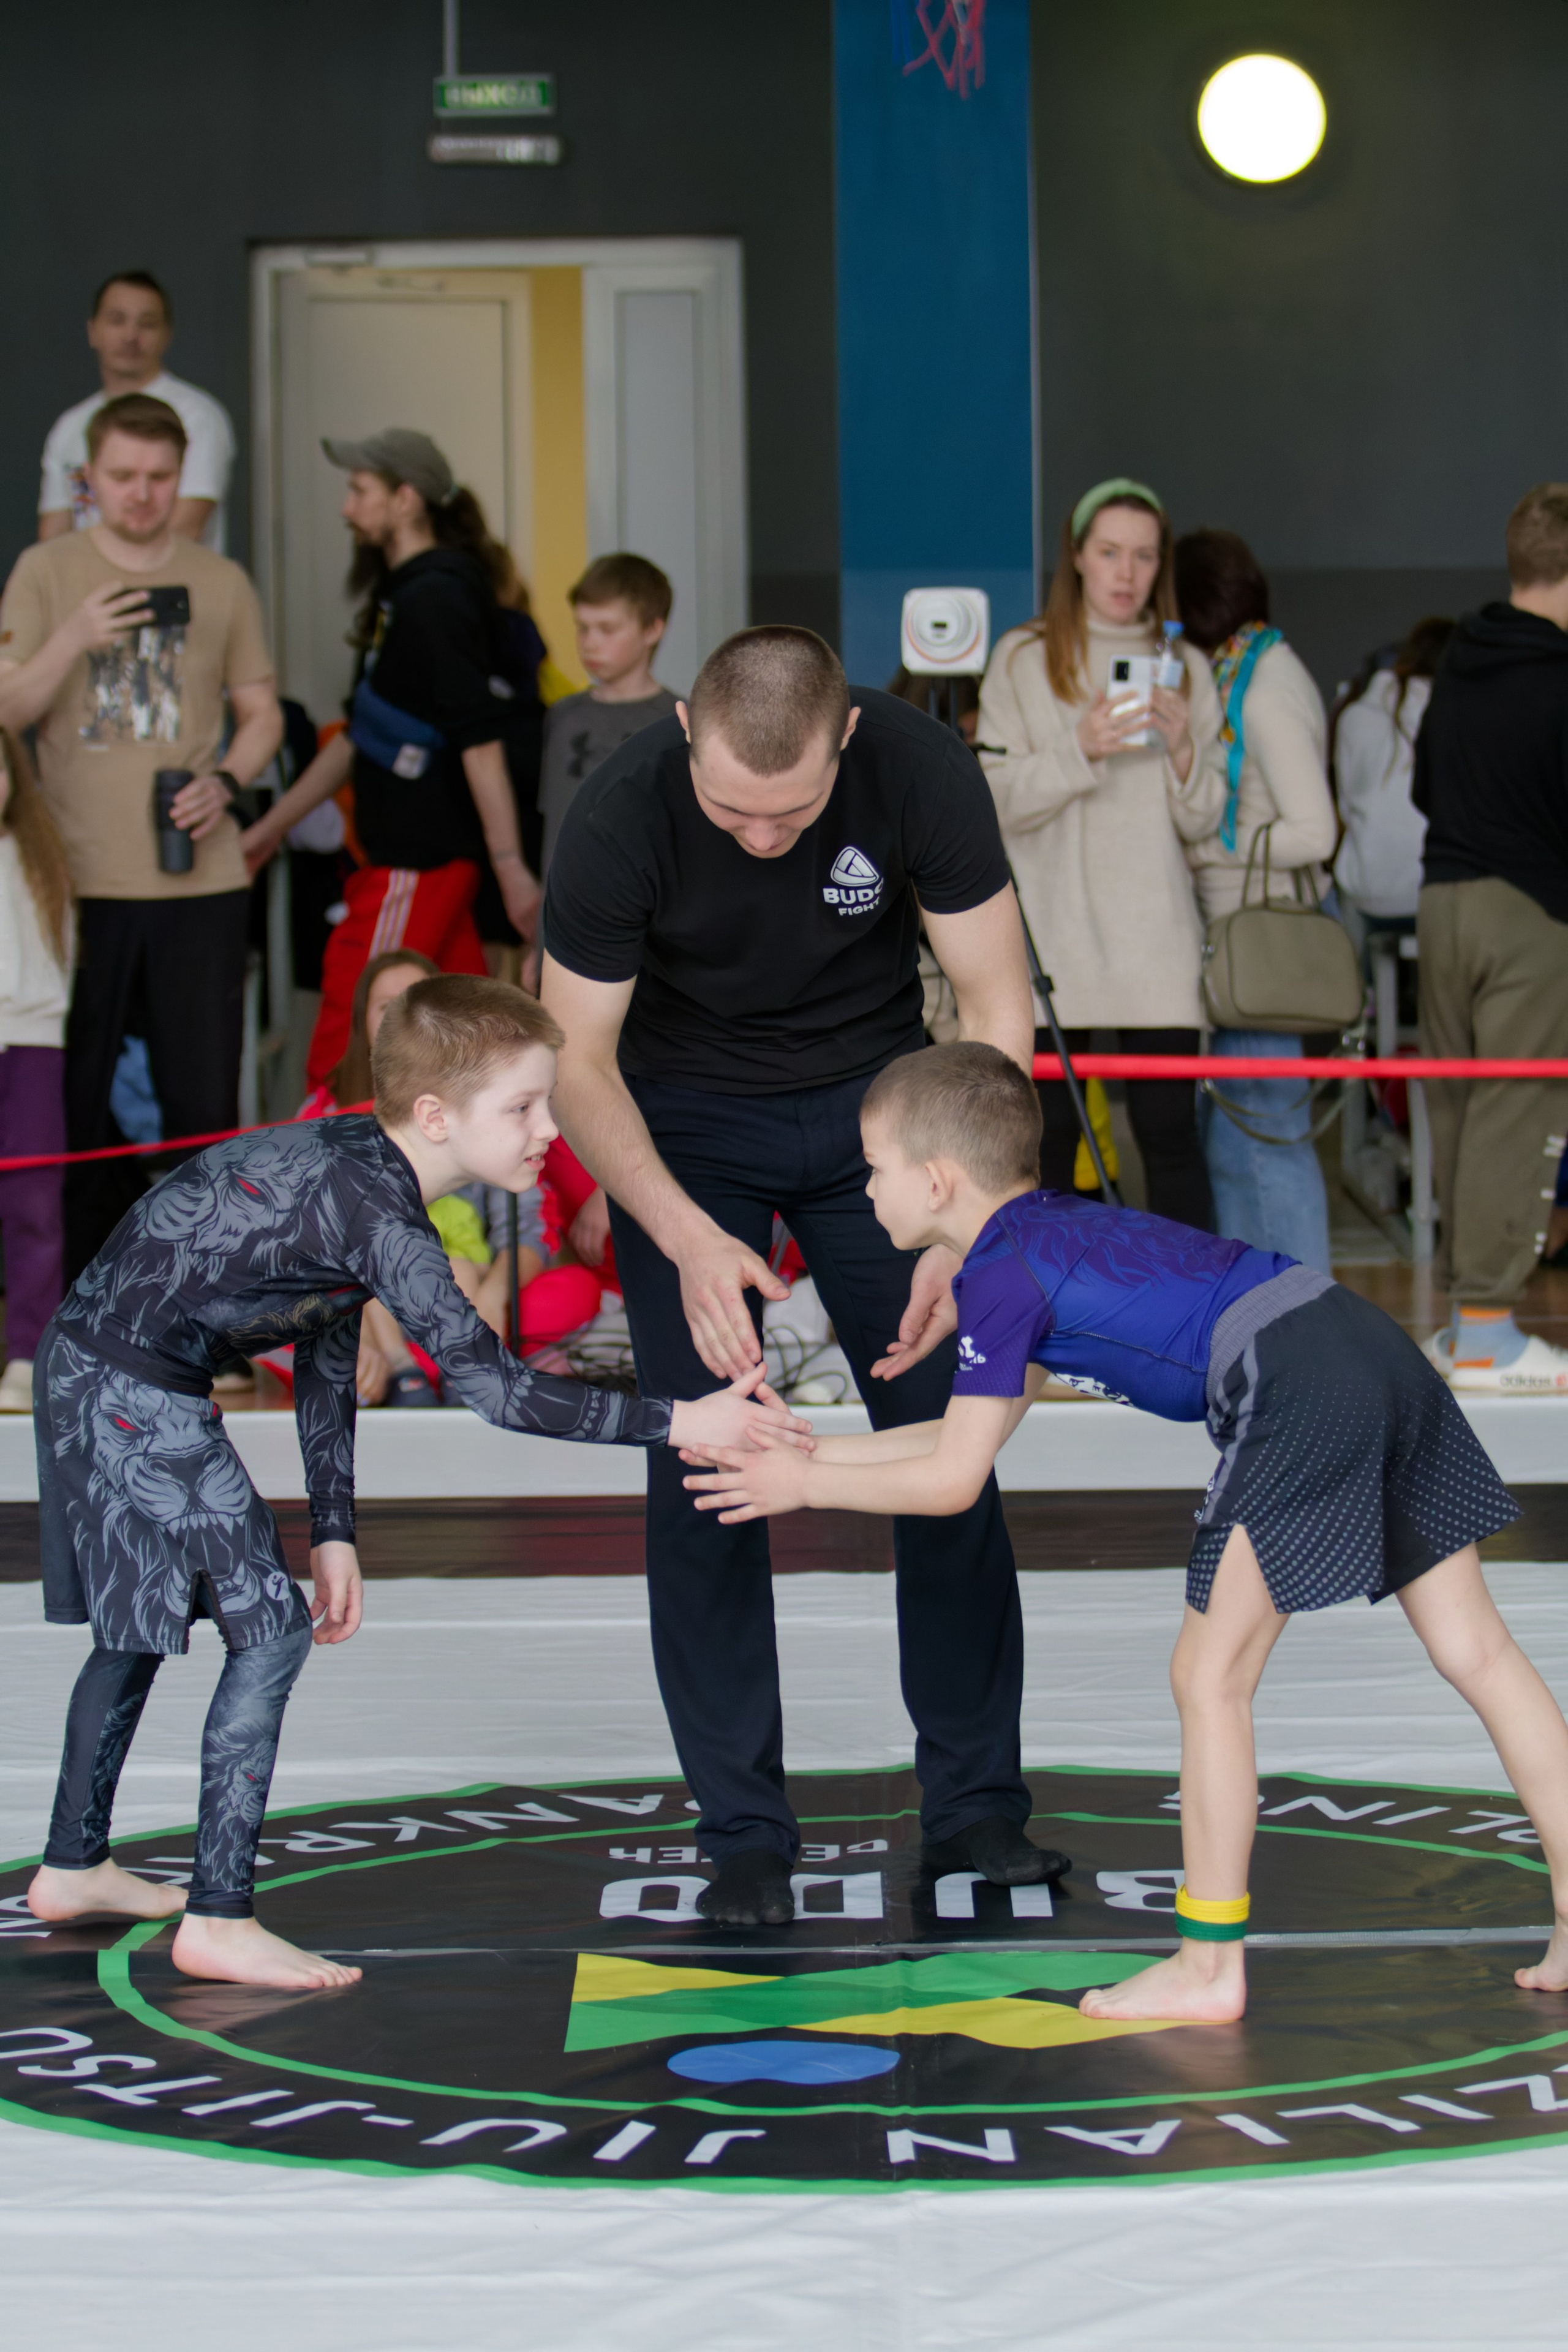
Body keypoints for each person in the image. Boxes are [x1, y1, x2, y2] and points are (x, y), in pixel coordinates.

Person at [683, 1042, 1568, 2021]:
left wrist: (800, 1485)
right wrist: (806, 1451)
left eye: (874, 1167)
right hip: (1358, 1342)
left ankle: (1208, 1965)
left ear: (936, 1180)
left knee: (1209, 1677)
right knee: (1477, 1649)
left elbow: (950, 1482)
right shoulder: (1036, 1232)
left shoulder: (1001, 1277)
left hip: (1295, 1382)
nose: (864, 1186)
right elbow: (962, 1437)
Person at [25, 974, 807, 1989]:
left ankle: (71, 1868)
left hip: (93, 1363)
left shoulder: (360, 1169)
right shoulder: (385, 1214)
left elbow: (322, 1340)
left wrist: (335, 1527)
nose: (546, 1132)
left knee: (139, 1631)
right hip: (123, 1384)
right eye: (522, 1109)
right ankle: (217, 1918)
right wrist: (682, 1420)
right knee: (268, 1629)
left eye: (547, 1103)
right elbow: (498, 1391)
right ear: (436, 1115)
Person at [542, 624, 1061, 1931]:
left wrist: (971, 1231)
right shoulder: (616, 813)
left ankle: (975, 1807)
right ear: (683, 737)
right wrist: (675, 1229)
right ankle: (741, 1834)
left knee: (945, 1446)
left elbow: (995, 1013)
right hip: (680, 1123)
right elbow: (575, 1063)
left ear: (845, 740)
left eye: (792, 813)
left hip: (881, 1117)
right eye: (732, 810)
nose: (761, 839)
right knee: (707, 1461)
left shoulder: (921, 772)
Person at [0, 393, 283, 1278]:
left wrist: (227, 783)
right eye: (122, 477)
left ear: (180, 476)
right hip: (74, 881)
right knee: (71, 1108)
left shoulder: (221, 578)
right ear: (89, 478)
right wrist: (76, 634)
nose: (142, 494)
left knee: (202, 1106)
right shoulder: (47, 570)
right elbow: (6, 710)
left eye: (160, 478)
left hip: (199, 878)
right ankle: (80, 1303)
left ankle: (208, 1299)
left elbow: (263, 715)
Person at [238, 430, 543, 1088]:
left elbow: (479, 742)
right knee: (479, 1052)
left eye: (359, 491)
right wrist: (267, 831)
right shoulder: (403, 596)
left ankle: (317, 1176)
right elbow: (358, 737)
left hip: (418, 861)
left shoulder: (437, 599)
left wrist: (512, 869)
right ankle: (513, 1187)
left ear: (405, 500)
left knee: (352, 1038)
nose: (347, 508)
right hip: (416, 862)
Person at [978, 478, 1220, 1228]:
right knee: (1042, 1144)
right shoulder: (1023, 657)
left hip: (1157, 939)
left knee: (1170, 1136)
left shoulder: (1187, 665)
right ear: (1077, 557)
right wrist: (1076, 749)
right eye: (1110, 552)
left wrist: (1182, 750)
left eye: (1143, 556)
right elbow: (992, 800)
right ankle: (1052, 1320)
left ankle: (1195, 1323)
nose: (1126, 573)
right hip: (1053, 937)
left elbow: (1207, 819)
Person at [296, 950, 601, 1400]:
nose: (402, 1019)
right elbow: (301, 1243)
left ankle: (433, 1366)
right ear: (362, 1020)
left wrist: (493, 1298)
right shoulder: (322, 1116)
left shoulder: (484, 1103)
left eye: (417, 1005)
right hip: (363, 1303)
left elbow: (530, 1224)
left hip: (466, 1293)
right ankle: (407, 1364)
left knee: (574, 1291)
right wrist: (350, 1338)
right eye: (387, 1007)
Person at [1417, 485, 1568, 1392]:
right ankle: (1486, 1332)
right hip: (1531, 911)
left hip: (1446, 900)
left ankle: (1467, 1321)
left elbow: (1425, 785)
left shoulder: (1458, 663)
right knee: (1519, 1110)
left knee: (1458, 1108)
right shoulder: (1561, 675)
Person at [1177, 528, 1339, 1272]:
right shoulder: (1257, 668)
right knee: (1246, 1131)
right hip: (1255, 931)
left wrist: (1209, 849)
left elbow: (1314, 830)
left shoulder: (1262, 688)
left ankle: (1294, 1319)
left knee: (1260, 1137)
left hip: (1263, 934)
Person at [39, 272, 236, 552]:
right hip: (87, 594)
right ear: (93, 331)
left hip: (175, 590)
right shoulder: (70, 426)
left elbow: (185, 528)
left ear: (167, 335)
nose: (131, 336)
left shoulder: (197, 416)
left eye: (147, 324)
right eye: (117, 320)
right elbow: (54, 536)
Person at [0, 731, 73, 1412]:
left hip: (32, 1043)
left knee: (31, 1201)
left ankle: (29, 1350)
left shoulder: (38, 855)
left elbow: (59, 954)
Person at [538, 553, 679, 874]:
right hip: (561, 911)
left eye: (607, 629)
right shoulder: (562, 717)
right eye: (583, 628)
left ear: (652, 630)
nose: (590, 643)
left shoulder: (681, 723)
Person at [1332, 617, 1455, 947]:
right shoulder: (1460, 717)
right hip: (1436, 895)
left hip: (1367, 894)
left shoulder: (1354, 717)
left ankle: (1363, 994)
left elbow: (1346, 808)